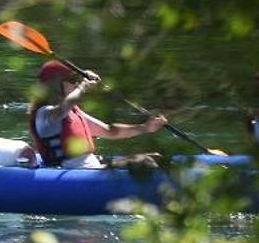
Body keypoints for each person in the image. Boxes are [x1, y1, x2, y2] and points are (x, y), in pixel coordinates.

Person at [28, 59, 165, 168]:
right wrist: (83, 86)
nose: (76, 84)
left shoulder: (72, 112)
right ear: (54, 85)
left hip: (91, 167)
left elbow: (110, 131)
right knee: (145, 162)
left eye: (77, 81)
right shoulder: (44, 115)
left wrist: (145, 127)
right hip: (73, 175)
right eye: (72, 80)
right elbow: (62, 110)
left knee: (155, 157)